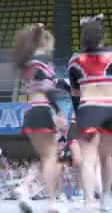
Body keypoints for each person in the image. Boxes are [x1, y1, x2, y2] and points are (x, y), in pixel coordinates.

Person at [67, 14, 112, 211]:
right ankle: (106, 198)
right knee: (106, 157)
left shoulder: (75, 61)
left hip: (88, 108)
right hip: (110, 109)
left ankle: (88, 202)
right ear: (102, 36)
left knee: (88, 159)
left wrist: (78, 116)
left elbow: (75, 95)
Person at [13, 23, 68, 213]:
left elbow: (43, 85)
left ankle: (25, 187)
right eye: (50, 44)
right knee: (51, 156)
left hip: (30, 111)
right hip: (43, 110)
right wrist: (59, 111)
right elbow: (47, 89)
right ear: (44, 42)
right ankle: (51, 202)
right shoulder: (44, 61)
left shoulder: (26, 63)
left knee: (45, 157)